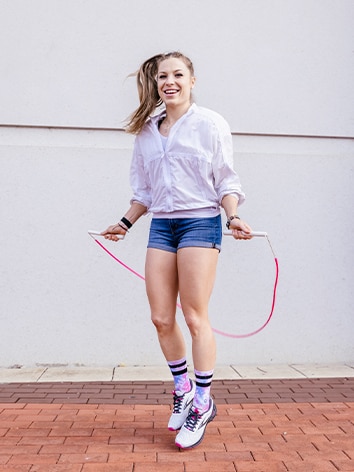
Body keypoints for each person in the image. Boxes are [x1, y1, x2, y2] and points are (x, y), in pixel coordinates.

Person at [102, 51, 252, 449]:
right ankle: (183, 389)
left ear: (192, 80)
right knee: (161, 318)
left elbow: (227, 180)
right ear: (155, 83)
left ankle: (203, 402)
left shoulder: (210, 124)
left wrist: (233, 217)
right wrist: (124, 222)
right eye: (162, 76)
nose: (170, 81)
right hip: (162, 226)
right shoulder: (147, 131)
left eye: (178, 74)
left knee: (195, 316)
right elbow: (145, 193)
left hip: (201, 222)